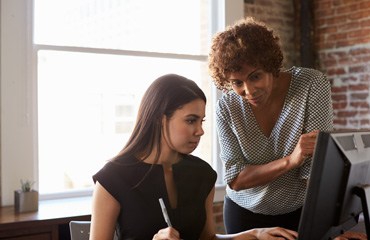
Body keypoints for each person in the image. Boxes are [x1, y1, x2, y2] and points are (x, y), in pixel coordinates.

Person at [90, 73, 299, 240]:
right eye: (191, 120)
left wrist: (254, 234)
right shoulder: (112, 179)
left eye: (201, 121)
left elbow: (208, 238)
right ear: (159, 119)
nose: (200, 131)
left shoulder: (203, 174)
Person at [208, 17, 334, 233]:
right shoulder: (226, 107)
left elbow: (314, 169)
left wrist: (329, 227)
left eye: (255, 76)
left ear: (271, 65)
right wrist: (290, 160)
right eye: (237, 82)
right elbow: (236, 179)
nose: (249, 91)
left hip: (300, 211)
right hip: (243, 214)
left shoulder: (312, 85)